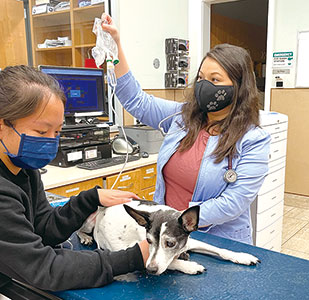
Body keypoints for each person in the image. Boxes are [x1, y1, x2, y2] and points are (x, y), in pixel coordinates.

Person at [0, 65, 149, 300]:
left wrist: (89, 200)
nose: (51, 142)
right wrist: (134, 257)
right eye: (41, 132)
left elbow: (42, 228)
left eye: (57, 132)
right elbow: (45, 269)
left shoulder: (19, 165)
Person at [101, 14, 271, 245]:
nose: (204, 85)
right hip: (166, 238)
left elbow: (234, 202)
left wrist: (181, 220)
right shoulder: (181, 117)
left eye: (215, 79)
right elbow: (135, 101)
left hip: (217, 241)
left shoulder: (253, 139)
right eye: (201, 77)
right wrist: (116, 45)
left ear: (238, 88)